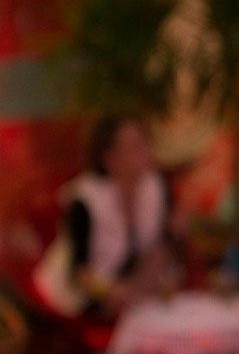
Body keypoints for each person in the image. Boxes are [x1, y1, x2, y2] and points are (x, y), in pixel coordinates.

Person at [33, 116, 180, 317]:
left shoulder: (155, 187)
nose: (145, 152)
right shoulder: (85, 201)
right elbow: (79, 272)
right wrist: (111, 291)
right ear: (109, 158)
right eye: (134, 147)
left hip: (131, 289)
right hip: (81, 296)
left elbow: (159, 245)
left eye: (145, 143)